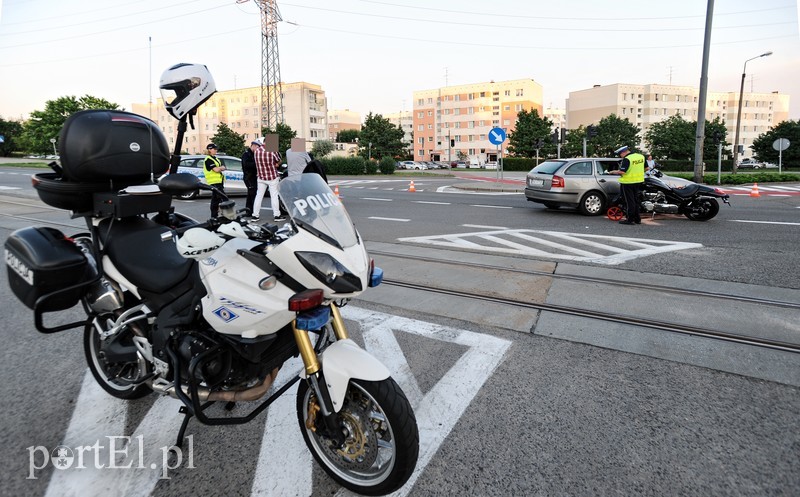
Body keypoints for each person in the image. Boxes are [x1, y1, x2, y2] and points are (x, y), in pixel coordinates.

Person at [610, 145, 645, 225]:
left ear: (623, 152)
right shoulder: (641, 156)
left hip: (628, 183)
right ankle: (637, 219)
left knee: (629, 201)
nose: (621, 156)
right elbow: (646, 168)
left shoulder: (627, 159)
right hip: (638, 181)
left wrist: (612, 172)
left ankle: (630, 219)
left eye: (620, 154)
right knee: (636, 200)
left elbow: (622, 172)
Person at [252, 138, 285, 222]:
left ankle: (255, 216)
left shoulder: (257, 151)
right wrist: (276, 164)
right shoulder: (272, 151)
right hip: (272, 177)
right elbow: (278, 161)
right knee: (274, 196)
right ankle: (276, 216)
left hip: (261, 177)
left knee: (259, 196)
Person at [203, 143, 226, 217]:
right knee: (224, 198)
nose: (216, 150)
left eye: (216, 149)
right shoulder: (208, 159)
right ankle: (227, 214)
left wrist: (221, 168)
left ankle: (214, 216)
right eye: (214, 149)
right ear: (209, 149)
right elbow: (216, 169)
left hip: (219, 181)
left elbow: (222, 167)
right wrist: (221, 168)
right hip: (214, 182)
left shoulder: (215, 158)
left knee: (215, 200)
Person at [241, 141, 258, 214]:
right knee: (253, 194)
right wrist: (257, 164)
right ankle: (254, 211)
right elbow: (246, 164)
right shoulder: (246, 154)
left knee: (250, 195)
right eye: (257, 147)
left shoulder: (253, 154)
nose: (258, 149)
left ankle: (249, 211)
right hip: (249, 177)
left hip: (253, 177)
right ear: (253, 146)